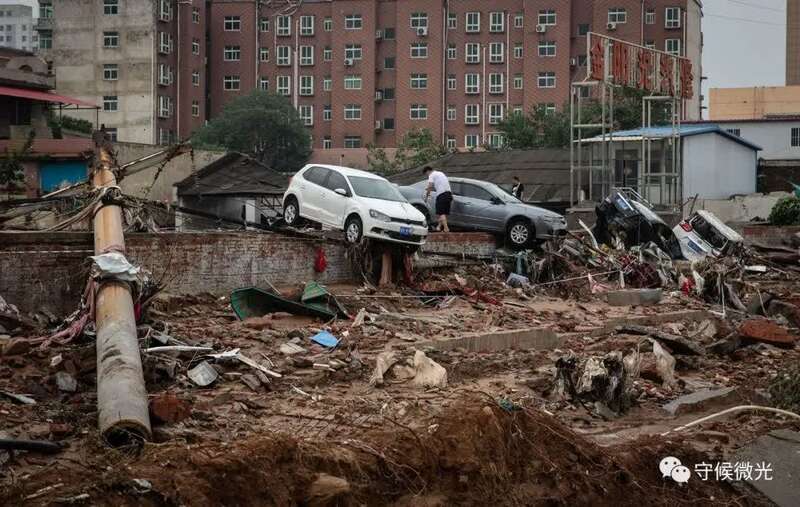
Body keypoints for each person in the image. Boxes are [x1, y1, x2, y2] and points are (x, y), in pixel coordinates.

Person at [423, 166, 452, 233]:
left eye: (426, 174)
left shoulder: (431, 175)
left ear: (428, 171)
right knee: (443, 213)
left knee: (441, 213)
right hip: (448, 194)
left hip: (442, 195)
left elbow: (430, 186)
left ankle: (446, 228)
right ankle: (438, 227)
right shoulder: (441, 173)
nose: (427, 176)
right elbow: (440, 184)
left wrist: (426, 196)